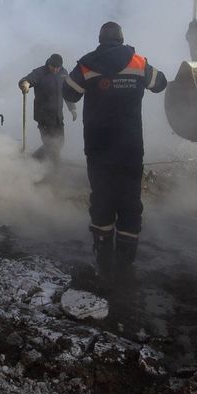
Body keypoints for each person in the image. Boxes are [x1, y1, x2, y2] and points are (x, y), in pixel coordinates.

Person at [62, 21, 167, 283]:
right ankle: (126, 258)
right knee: (130, 200)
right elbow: (160, 84)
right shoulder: (138, 62)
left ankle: (102, 254)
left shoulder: (87, 65)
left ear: (100, 39)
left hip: (98, 146)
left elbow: (69, 93)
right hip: (130, 145)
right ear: (121, 39)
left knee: (102, 198)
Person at [18, 53, 76, 163]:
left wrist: (72, 108)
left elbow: (67, 92)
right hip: (44, 117)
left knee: (59, 143)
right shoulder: (40, 72)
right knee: (51, 146)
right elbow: (27, 80)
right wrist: (25, 83)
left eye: (58, 67)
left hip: (58, 117)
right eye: (53, 67)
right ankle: (55, 172)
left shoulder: (63, 73)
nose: (55, 70)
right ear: (48, 63)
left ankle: (34, 160)